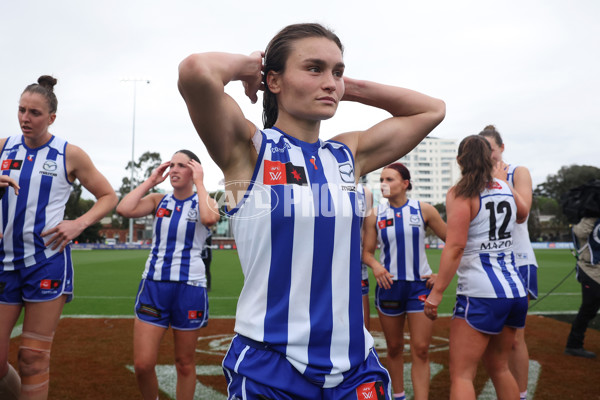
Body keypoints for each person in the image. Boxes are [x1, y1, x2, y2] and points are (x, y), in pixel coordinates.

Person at [178, 22, 445, 400]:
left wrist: (344, 87)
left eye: (337, 71)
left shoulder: (346, 154)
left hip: (355, 367)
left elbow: (432, 110)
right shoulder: (249, 149)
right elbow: (195, 71)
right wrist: (249, 67)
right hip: (271, 368)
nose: (330, 81)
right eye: (314, 68)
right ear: (274, 81)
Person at [0, 75, 118, 400]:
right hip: (4, 261)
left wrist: (79, 223)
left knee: (32, 358)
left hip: (46, 262)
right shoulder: (3, 147)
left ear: (51, 117)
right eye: (21, 110)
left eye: (34, 112)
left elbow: (109, 196)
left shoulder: (69, 154)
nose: (25, 117)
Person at [424, 135, 529, 400]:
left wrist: (436, 294)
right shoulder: (504, 185)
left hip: (481, 293)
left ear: (460, 160)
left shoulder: (460, 193)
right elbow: (523, 213)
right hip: (515, 291)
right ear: (489, 158)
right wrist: (503, 180)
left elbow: (455, 246)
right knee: (500, 367)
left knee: (462, 374)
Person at [116, 150, 220, 400]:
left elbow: (209, 218)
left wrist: (200, 182)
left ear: (194, 170)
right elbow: (124, 209)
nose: (173, 170)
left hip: (190, 288)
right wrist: (151, 181)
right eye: (171, 165)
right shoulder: (157, 200)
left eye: (181, 166)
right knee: (143, 364)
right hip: (154, 286)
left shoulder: (205, 201)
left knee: (184, 362)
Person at [362, 163, 446, 400]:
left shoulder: (424, 210)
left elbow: (454, 241)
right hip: (389, 289)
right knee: (395, 348)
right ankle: (397, 396)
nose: (383, 184)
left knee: (420, 350)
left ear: (405, 184)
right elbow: (366, 252)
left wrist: (441, 274)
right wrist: (376, 266)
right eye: (381, 179)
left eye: (389, 179)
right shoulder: (375, 215)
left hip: (419, 288)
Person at [479, 124, 537, 400]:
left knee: (515, 338)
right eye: (483, 149)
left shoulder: (517, 172)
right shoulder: (477, 179)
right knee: (491, 337)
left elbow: (522, 214)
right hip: (488, 264)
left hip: (518, 260)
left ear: (502, 149)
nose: (488, 154)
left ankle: (521, 394)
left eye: (491, 148)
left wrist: (500, 182)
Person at [564, 216, 600, 359]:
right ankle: (574, 344)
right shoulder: (589, 218)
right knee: (588, 309)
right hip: (590, 270)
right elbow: (580, 233)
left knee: (589, 309)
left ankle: (574, 343)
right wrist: (591, 215)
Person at [357, 182, 374, 331]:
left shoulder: (365, 193)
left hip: (356, 271)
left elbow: (366, 234)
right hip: (320, 271)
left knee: (362, 331)